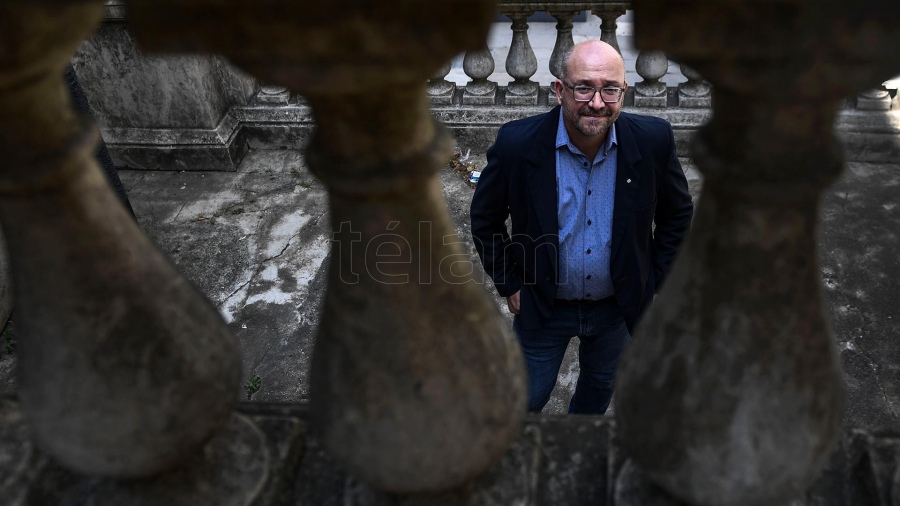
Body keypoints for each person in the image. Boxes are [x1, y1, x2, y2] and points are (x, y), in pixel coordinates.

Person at [470, 40, 693, 415]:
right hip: (543, 307)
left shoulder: (653, 141)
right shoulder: (517, 144)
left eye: (610, 89)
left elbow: (678, 215)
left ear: (624, 92)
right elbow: (485, 218)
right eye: (584, 87)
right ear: (560, 90)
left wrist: (650, 281)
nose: (597, 102)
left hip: (617, 310)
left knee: (599, 388)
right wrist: (508, 282)